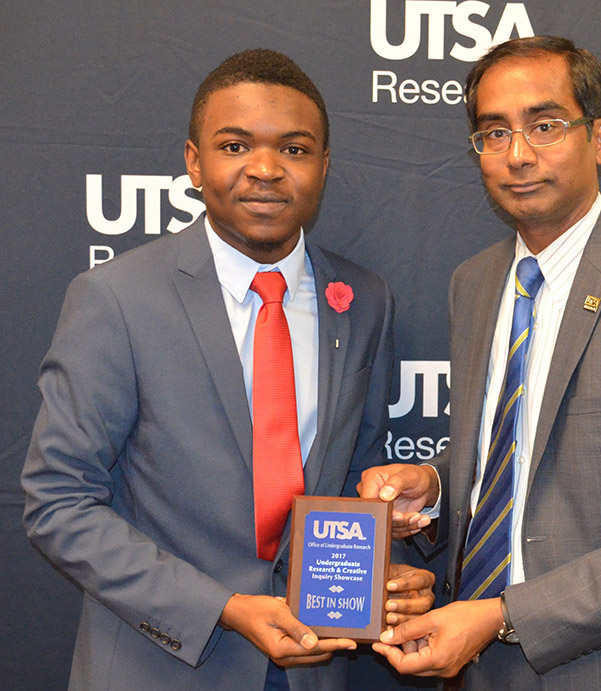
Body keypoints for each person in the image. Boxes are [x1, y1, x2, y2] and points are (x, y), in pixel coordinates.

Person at [22, 49, 433, 690]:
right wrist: (224, 611)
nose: (265, 170)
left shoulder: (363, 299)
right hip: (161, 665)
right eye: (236, 145)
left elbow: (359, 478)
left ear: (323, 167)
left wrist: (386, 561)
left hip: (315, 669)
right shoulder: (117, 298)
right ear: (194, 162)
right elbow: (58, 502)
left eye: (294, 150)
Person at [359, 36, 601, 689]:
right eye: (493, 133)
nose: (517, 154)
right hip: (483, 669)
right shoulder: (475, 284)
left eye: (544, 126)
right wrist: (437, 484)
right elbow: (517, 461)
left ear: (599, 138)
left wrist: (503, 615)